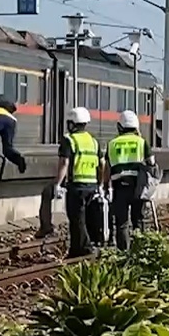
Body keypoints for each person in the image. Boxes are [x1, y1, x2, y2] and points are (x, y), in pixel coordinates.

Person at [49, 107, 102, 258]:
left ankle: (82, 249)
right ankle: (81, 247)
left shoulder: (69, 140)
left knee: (76, 219)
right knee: (89, 218)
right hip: (92, 185)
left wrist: (58, 183)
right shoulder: (93, 141)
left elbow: (64, 163)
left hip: (76, 185)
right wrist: (101, 184)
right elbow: (101, 163)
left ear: (72, 123)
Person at [102, 110, 155, 251]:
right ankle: (139, 251)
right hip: (138, 188)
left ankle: (123, 252)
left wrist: (105, 186)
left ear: (120, 127)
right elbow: (151, 163)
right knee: (138, 220)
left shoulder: (112, 144)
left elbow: (106, 168)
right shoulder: (142, 142)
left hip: (119, 188)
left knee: (121, 223)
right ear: (136, 127)